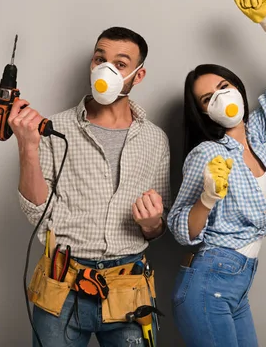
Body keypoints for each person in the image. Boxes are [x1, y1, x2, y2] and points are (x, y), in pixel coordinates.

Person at [167, 0, 266, 347]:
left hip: (238, 282)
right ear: (202, 111)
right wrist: (207, 199)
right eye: (207, 97)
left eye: (224, 85)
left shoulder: (257, 135)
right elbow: (181, 228)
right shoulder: (207, 154)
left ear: (237, 87)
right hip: (208, 283)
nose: (220, 97)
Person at [9, 26, 170, 346]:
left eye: (120, 64)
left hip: (129, 290)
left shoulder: (155, 139)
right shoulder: (55, 128)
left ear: (138, 76)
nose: (106, 69)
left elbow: (157, 227)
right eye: (100, 58)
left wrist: (152, 224)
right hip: (62, 287)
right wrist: (28, 147)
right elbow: (36, 212)